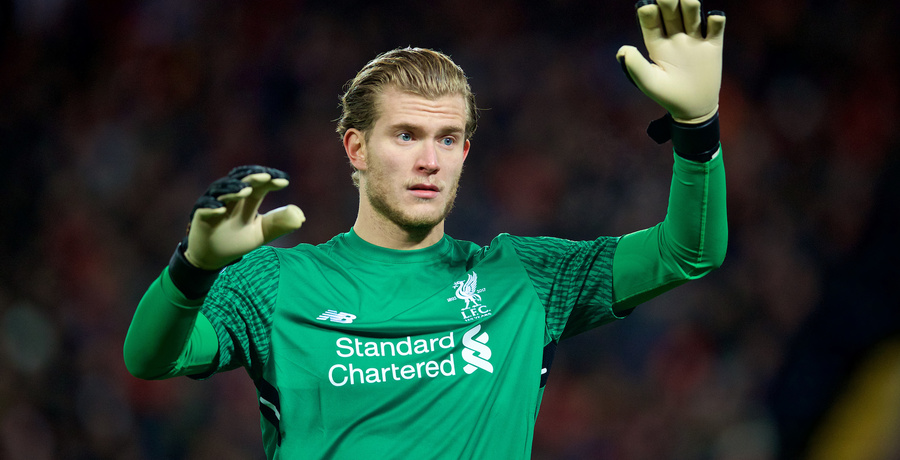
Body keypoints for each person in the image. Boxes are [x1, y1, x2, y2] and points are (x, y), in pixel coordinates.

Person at [124, 0, 727, 458]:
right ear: (356, 148)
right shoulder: (275, 283)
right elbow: (150, 359)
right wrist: (193, 269)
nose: (429, 160)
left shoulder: (526, 277)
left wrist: (698, 128)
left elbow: (687, 252)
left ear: (465, 152)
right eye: (406, 135)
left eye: (447, 139)